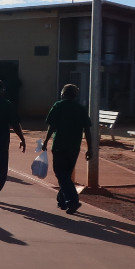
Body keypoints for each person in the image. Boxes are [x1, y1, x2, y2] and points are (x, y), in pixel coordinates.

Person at [45, 84, 93, 214]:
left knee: (61, 174)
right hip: (74, 147)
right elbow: (87, 130)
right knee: (66, 174)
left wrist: (45, 141)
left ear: (63, 94)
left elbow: (52, 126)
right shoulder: (81, 109)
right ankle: (62, 201)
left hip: (60, 145)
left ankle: (72, 201)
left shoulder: (58, 106)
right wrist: (90, 148)